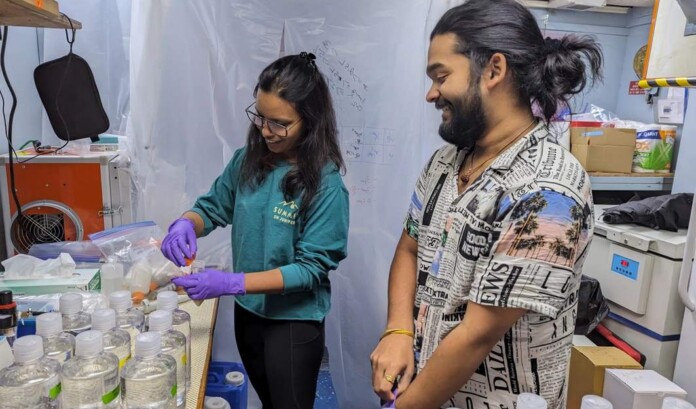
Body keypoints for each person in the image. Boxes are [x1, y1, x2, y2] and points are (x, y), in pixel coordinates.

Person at [370, 1, 602, 408]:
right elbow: (410, 246)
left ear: (494, 70)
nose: (431, 93)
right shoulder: (446, 162)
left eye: (441, 76)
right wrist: (398, 331)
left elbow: (476, 335)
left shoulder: (549, 191)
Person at [161, 52, 349, 409]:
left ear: (309, 121)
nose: (265, 130)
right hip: (249, 314)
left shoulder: (325, 185)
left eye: (279, 123)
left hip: (292, 323)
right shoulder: (248, 159)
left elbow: (311, 269)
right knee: (267, 400)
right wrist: (187, 222)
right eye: (260, 117)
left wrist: (232, 283)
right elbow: (212, 206)